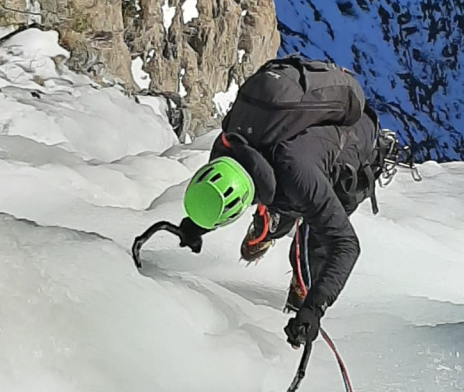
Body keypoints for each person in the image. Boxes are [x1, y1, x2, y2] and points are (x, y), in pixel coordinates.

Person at [174, 56, 412, 349]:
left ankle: (296, 260)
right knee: (288, 195)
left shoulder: (298, 174)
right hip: (290, 155)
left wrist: (314, 307)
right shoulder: (227, 145)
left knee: (315, 240)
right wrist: (195, 224)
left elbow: (346, 245)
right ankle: (278, 214)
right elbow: (218, 193)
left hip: (353, 153)